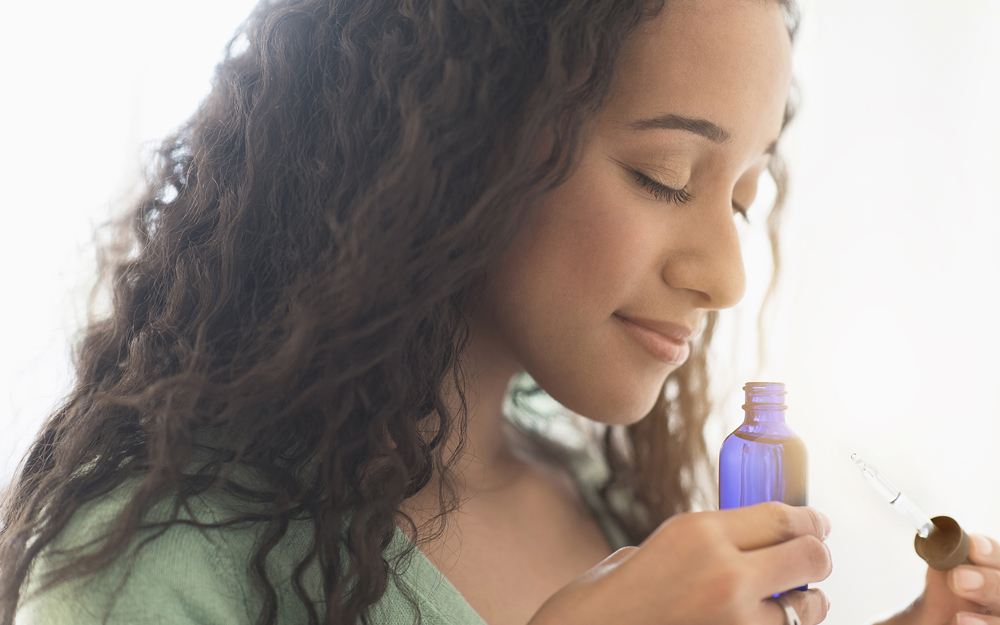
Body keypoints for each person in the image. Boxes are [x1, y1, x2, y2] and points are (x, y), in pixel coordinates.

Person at [1, 0, 997, 624]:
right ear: (450, 148)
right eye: (664, 176)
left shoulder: (597, 495)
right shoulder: (154, 572)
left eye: (740, 195)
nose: (727, 274)